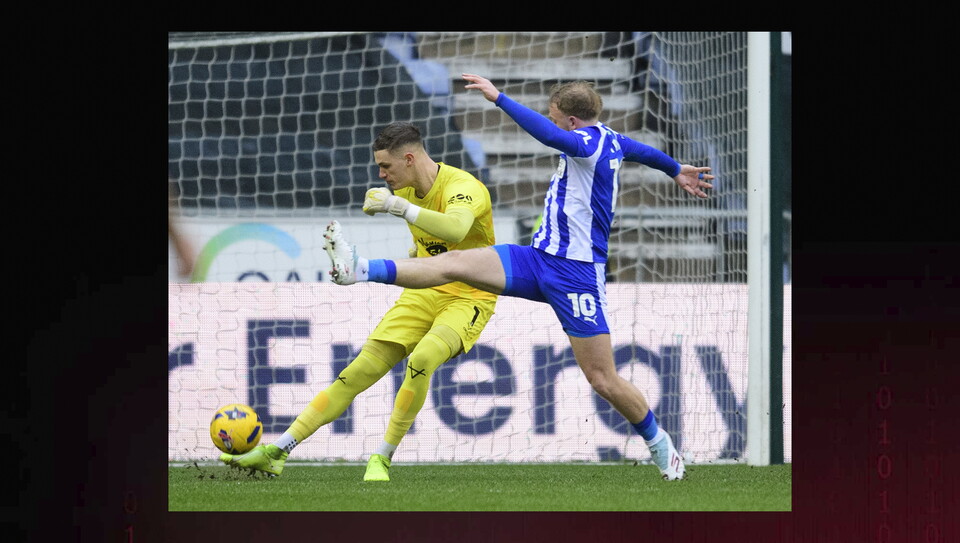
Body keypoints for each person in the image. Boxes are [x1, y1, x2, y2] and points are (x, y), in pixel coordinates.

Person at [323, 74, 714, 481]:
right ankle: (361, 269)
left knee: (602, 378)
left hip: (576, 275)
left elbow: (548, 136)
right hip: (537, 258)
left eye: (556, 116)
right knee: (455, 262)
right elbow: (641, 150)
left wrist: (500, 98)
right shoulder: (609, 138)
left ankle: (661, 445)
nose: (553, 121)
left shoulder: (584, 142)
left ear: (573, 123)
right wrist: (674, 169)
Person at [220, 121, 499, 481]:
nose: (381, 174)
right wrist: (412, 247)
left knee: (423, 357)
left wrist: (397, 207)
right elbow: (431, 248)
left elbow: (457, 229)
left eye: (386, 166)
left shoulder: (463, 187)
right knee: (355, 373)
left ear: (410, 158)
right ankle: (278, 450)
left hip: (471, 294)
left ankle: (382, 457)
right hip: (426, 290)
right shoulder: (411, 191)